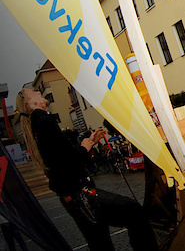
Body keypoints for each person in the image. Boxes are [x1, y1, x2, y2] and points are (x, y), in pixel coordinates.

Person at [16, 89, 158, 251]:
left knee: (100, 244)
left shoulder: (38, 124)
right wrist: (84, 149)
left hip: (74, 196)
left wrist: (87, 144)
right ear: (31, 103)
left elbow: (59, 156)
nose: (37, 91)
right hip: (80, 195)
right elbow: (68, 161)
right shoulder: (44, 121)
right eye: (33, 92)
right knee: (134, 212)